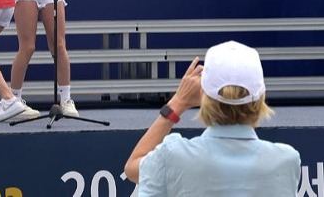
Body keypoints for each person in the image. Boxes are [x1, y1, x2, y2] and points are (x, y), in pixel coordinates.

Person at [124, 40, 301, 196]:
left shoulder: (173, 155)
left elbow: (132, 168)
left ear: (203, 94)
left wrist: (178, 103)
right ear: (262, 96)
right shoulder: (287, 161)